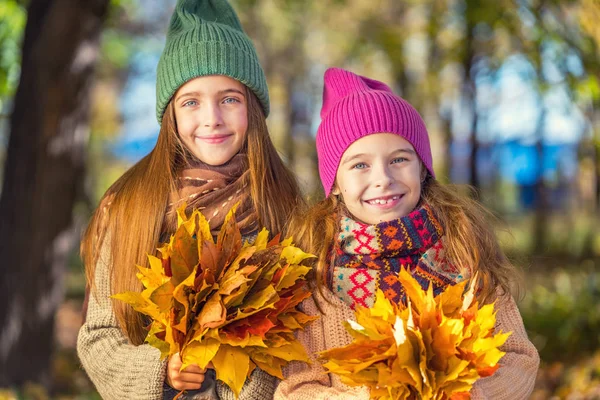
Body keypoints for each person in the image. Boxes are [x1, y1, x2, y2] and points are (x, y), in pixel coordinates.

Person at [77, 1, 303, 399]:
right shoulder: (131, 205)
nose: (212, 117)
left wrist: (247, 381)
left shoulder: (283, 204)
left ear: (253, 107)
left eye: (230, 99)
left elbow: (303, 336)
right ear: (171, 115)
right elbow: (97, 338)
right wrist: (161, 369)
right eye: (191, 101)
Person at [275, 67, 540, 399]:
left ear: (422, 167)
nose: (383, 178)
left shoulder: (462, 252)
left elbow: (518, 358)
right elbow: (296, 387)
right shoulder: (317, 276)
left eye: (399, 159)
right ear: (335, 185)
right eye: (359, 165)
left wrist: (470, 395)